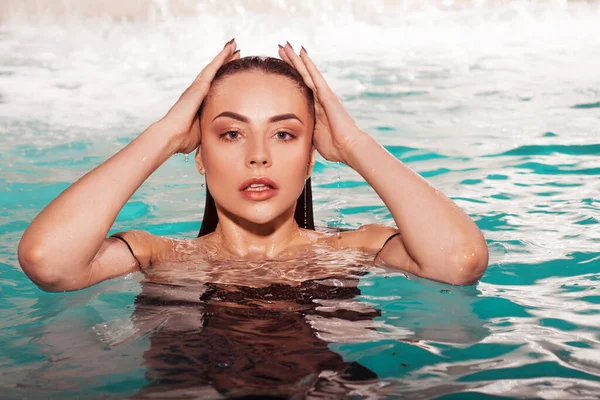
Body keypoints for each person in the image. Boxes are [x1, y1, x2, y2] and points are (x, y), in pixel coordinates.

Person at [17, 39, 488, 293]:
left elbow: (459, 263)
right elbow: (49, 263)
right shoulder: (158, 257)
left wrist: (353, 142)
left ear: (311, 158)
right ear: (200, 154)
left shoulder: (355, 249)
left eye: (284, 134)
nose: (258, 156)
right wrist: (163, 135)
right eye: (230, 133)